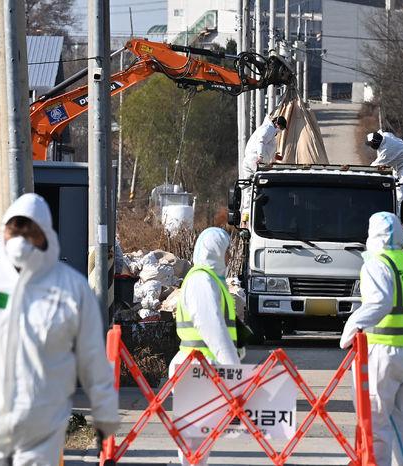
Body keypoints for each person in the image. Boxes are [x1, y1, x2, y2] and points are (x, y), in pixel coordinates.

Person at [0, 193, 119, 464]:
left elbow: (92, 356)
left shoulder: (70, 289)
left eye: (29, 233)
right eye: (15, 232)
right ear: (4, 232)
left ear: (45, 236)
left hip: (40, 430)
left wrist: (105, 411)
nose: (20, 241)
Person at [341, 212, 403, 466]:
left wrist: (349, 331)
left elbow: (379, 303)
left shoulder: (376, 264)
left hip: (383, 351)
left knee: (375, 420)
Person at [171, 227, 241, 466]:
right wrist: (234, 369)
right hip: (197, 368)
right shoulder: (202, 281)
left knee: (199, 441)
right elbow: (213, 328)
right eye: (227, 251)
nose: (229, 256)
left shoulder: (209, 280)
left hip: (202, 368)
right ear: (216, 251)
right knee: (194, 442)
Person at [366, 131, 403, 200]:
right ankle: (393, 200)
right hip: (397, 162)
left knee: (401, 186)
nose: (371, 146)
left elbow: (374, 166)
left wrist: (363, 171)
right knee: (393, 183)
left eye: (371, 144)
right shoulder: (385, 135)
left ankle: (400, 205)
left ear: (376, 142)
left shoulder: (386, 151)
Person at [241, 115, 287, 180]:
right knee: (264, 180)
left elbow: (264, 145)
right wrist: (260, 156)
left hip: (249, 159)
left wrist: (273, 155)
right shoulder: (270, 129)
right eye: (281, 127)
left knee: (249, 183)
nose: (281, 130)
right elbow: (261, 142)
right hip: (255, 159)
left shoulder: (267, 128)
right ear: (276, 123)